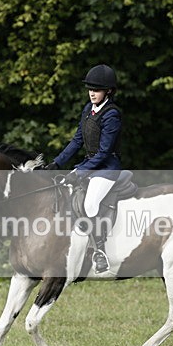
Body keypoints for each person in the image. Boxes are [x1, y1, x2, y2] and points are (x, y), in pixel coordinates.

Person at [46, 64, 122, 273]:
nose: (92, 93)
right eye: (90, 89)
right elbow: (77, 140)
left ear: (108, 91)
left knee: (90, 204)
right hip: (91, 166)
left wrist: (78, 172)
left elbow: (104, 153)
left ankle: (101, 252)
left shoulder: (111, 115)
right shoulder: (88, 110)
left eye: (96, 90)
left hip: (107, 169)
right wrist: (57, 163)